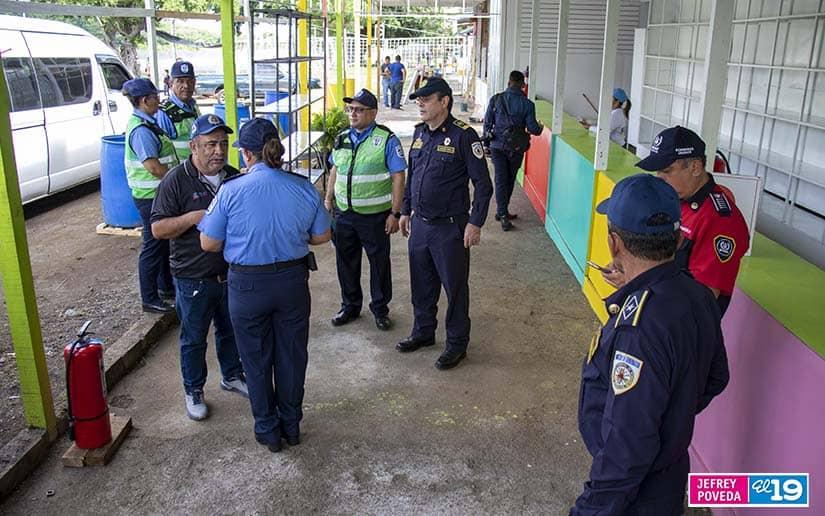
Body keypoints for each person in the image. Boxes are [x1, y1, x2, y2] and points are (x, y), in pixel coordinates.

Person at [572, 173, 729, 515]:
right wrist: (674, 417)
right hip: (670, 473)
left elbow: (626, 450)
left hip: (637, 495)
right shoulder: (698, 295)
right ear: (677, 238)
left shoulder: (638, 330)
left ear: (614, 243)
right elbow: (717, 376)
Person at [198, 118, 331, 453]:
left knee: (255, 361)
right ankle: (292, 425)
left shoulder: (231, 189)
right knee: (292, 357)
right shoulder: (302, 186)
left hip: (247, 287)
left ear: (246, 154)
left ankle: (268, 431)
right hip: (292, 283)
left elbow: (209, 243)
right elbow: (322, 236)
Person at [151, 114, 248, 421]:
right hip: (193, 277)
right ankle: (193, 389)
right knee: (194, 338)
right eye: (210, 145)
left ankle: (232, 375)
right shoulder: (175, 181)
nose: (219, 151)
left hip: (230, 274)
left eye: (223, 144)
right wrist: (193, 218)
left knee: (230, 330)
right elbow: (158, 229)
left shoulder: (233, 177)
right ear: (194, 146)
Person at [397, 77, 493, 370]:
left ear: (445, 102)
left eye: (426, 99)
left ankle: (456, 344)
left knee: (455, 288)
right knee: (421, 284)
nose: (420, 104)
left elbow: (483, 184)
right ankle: (423, 332)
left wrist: (475, 223)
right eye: (418, 100)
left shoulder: (464, 136)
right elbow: (413, 177)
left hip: (450, 228)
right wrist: (405, 210)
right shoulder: (419, 134)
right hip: (420, 225)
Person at [605, 126, 750, 316]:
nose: (660, 179)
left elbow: (702, 298)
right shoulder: (671, 198)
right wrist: (624, 266)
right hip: (650, 308)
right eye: (658, 171)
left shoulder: (721, 222)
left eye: (667, 171)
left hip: (679, 323)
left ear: (695, 167)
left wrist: (634, 281)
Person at [324, 89, 407, 331]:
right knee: (346, 262)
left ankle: (380, 309)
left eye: (359, 110)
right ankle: (350, 306)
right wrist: (328, 200)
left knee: (379, 264)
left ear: (373, 113)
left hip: (375, 217)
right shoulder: (342, 138)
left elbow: (398, 176)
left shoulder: (387, 139)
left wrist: (395, 213)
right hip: (344, 214)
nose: (353, 114)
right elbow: (335, 170)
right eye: (350, 109)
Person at [122, 78, 179, 313]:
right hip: (150, 197)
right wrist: (177, 181)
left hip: (155, 195)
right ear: (145, 100)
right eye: (155, 97)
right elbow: (153, 167)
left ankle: (165, 288)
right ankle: (149, 297)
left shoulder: (148, 123)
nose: (159, 100)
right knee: (153, 247)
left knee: (162, 243)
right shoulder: (141, 131)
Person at [482, 70, 544, 231]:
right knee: (509, 179)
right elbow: (533, 129)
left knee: (500, 179)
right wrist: (540, 127)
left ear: (509, 82)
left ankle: (502, 211)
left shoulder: (496, 99)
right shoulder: (528, 104)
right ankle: (503, 212)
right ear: (523, 85)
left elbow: (487, 123)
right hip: (516, 147)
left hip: (497, 146)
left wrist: (487, 144)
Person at [156, 61, 200, 161]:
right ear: (171, 84)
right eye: (180, 81)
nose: (186, 86)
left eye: (190, 81)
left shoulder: (193, 106)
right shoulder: (164, 113)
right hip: (177, 169)